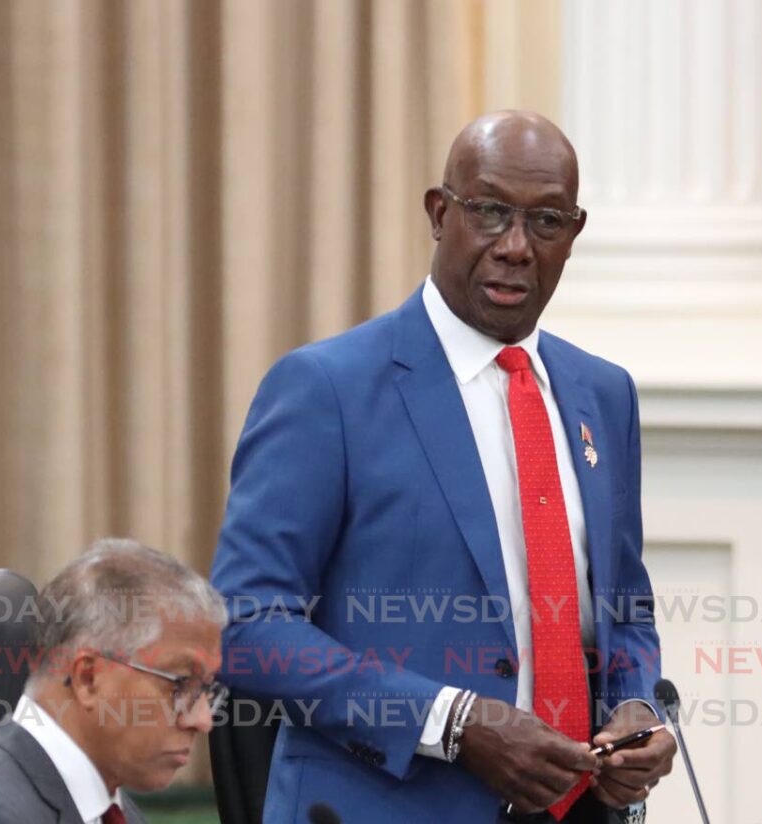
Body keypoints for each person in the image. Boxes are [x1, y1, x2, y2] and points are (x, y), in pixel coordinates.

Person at [211, 110, 675, 824]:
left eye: (546, 221)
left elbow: (625, 605)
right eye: (489, 212)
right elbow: (245, 627)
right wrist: (453, 723)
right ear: (439, 213)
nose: (516, 247)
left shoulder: (603, 395)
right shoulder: (327, 389)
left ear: (573, 236)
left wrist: (636, 706)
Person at [0, 538, 228, 824]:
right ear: (87, 678)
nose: (203, 720)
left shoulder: (114, 809)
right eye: (180, 684)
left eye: (206, 689)